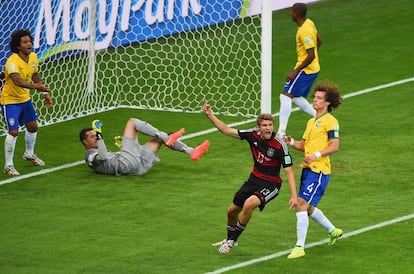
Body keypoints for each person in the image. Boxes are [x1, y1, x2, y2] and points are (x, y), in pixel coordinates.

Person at [202, 98, 297, 254]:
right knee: (231, 211)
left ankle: (232, 241)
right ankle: (228, 239)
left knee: (249, 204)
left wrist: (294, 195)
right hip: (254, 179)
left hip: (271, 184)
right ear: (258, 127)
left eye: (270, 125)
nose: (268, 128)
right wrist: (209, 114)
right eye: (265, 125)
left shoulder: (279, 145)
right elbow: (226, 130)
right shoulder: (251, 135)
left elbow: (289, 170)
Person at [284, 81, 343, 259]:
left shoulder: (331, 122)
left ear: (328, 102)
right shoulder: (311, 121)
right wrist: (292, 142)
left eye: (319, 98)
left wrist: (316, 155)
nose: (315, 101)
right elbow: (304, 146)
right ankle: (333, 231)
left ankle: (299, 247)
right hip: (308, 169)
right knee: (308, 207)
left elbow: (335, 146)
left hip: (319, 171)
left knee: (301, 203)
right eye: (315, 97)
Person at [0, 29, 53, 176]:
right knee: (13, 131)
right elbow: (17, 81)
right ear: (18, 46)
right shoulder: (12, 62)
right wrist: (36, 87)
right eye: (25, 42)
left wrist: (44, 92)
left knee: (33, 127)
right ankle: (9, 165)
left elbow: (35, 75)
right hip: (10, 101)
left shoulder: (34, 57)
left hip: (25, 99)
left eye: (30, 41)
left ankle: (29, 154)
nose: (29, 44)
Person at [79, 118, 210, 176]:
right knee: (132, 122)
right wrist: (100, 135)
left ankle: (192, 151)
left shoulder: (96, 152)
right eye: (92, 136)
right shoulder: (89, 155)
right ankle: (167, 138)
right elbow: (101, 157)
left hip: (137, 168)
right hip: (124, 165)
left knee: (160, 138)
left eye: (96, 135)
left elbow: (106, 158)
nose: (96, 137)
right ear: (85, 142)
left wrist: (121, 149)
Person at [277, 2, 322, 137]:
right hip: (312, 68)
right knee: (295, 97)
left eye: (292, 11)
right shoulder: (309, 23)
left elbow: (311, 55)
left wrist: (296, 70)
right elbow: (319, 41)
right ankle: (319, 116)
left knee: (285, 96)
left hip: (306, 70)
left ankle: (281, 132)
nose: (290, 13)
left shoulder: (304, 30)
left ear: (296, 13)